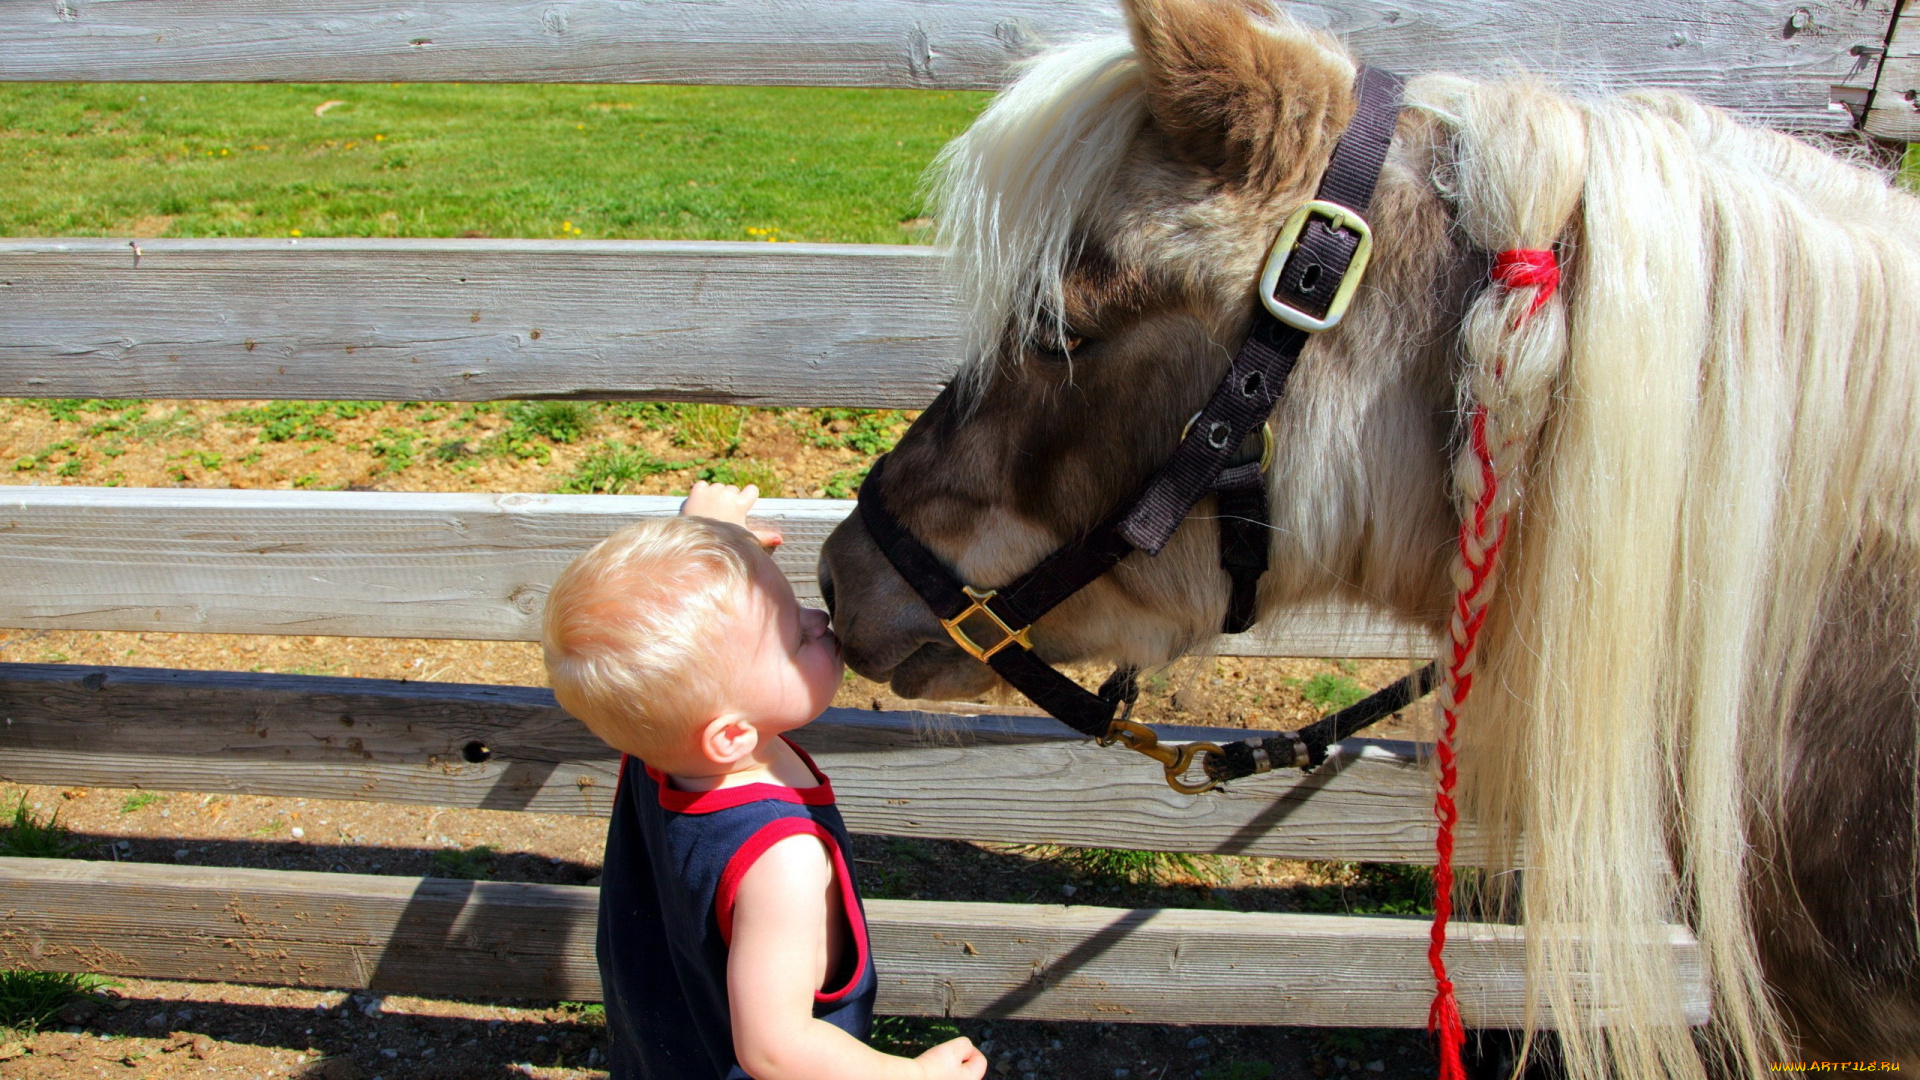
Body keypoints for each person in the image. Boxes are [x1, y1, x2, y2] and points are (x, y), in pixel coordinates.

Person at [543, 480, 989, 1080]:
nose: (819, 618)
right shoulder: (781, 859)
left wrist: (711, 534)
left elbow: (678, 641)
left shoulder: (660, 745)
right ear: (729, 735)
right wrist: (912, 1076)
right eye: (795, 635)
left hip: (665, 1046)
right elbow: (775, 1048)